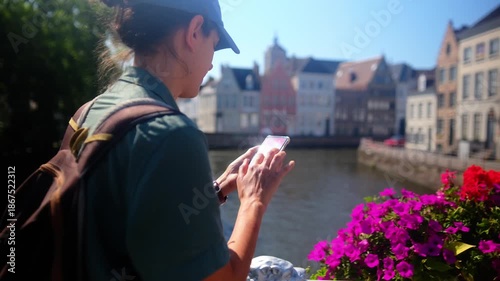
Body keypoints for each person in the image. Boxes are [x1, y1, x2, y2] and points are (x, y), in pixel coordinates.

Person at [81, 0, 295, 280]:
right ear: (194, 31)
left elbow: (146, 221)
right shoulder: (173, 134)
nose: (212, 62)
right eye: (215, 43)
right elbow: (224, 278)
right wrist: (254, 200)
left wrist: (216, 190)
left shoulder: (91, 110)